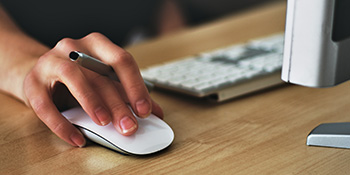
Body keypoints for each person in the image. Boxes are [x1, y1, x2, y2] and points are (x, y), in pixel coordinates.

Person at [0, 0, 276, 148]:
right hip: (37, 60)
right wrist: (31, 67)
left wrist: (184, 57)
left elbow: (162, 5)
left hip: (123, 65)